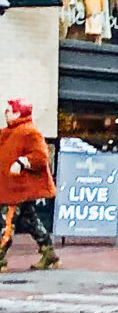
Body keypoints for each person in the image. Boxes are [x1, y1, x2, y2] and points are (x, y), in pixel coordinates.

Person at [0, 102, 57, 271]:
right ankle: (49, 253)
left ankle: (0, 257)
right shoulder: (7, 132)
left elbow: (40, 156)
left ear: (18, 114)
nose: (6, 113)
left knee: (6, 222)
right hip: (10, 186)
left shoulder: (29, 132)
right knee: (30, 220)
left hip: (16, 188)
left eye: (10, 110)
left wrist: (22, 162)